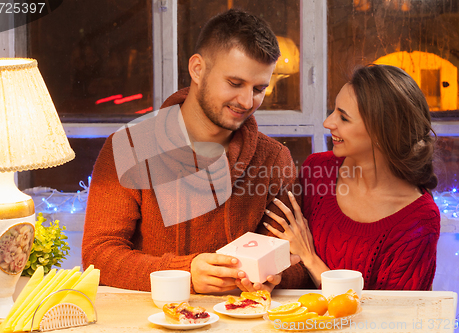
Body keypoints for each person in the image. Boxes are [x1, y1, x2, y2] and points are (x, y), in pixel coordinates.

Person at [82, 9, 311, 294]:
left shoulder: (275, 158)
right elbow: (98, 256)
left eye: (259, 88)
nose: (246, 100)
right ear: (198, 69)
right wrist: (185, 272)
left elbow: (299, 263)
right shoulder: (129, 147)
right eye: (235, 83)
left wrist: (277, 276)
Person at [264, 64, 440, 290]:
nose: (328, 123)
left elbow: (392, 319)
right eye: (334, 110)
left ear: (381, 132)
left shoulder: (418, 220)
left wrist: (311, 259)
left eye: (344, 118)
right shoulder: (318, 170)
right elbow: (286, 258)